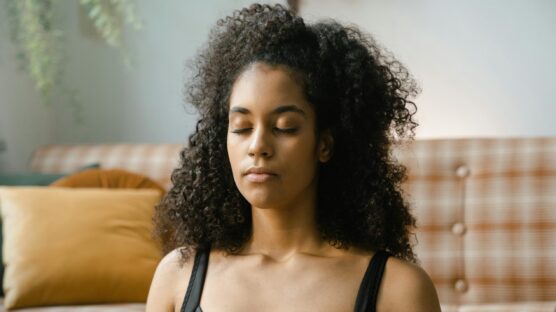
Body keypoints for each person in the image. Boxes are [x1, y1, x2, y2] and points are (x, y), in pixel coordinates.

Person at [146, 3, 441, 311]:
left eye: (285, 127)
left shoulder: (398, 288)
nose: (258, 146)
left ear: (324, 144)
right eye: (242, 127)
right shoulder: (178, 276)